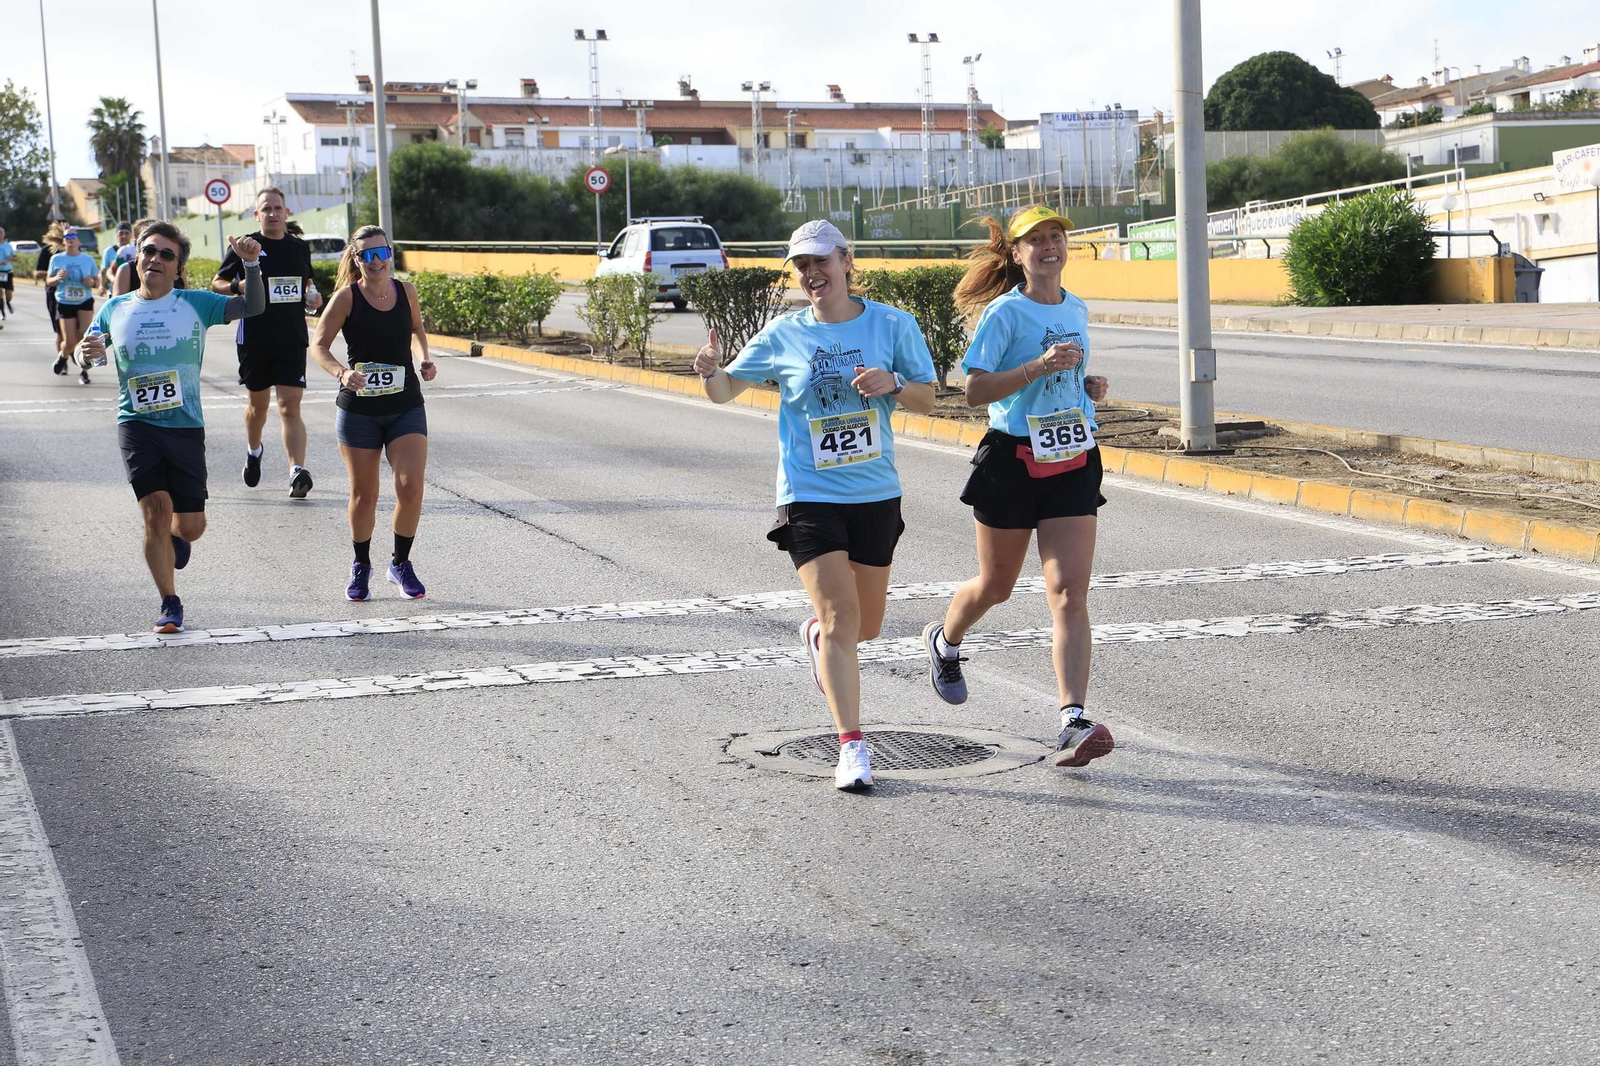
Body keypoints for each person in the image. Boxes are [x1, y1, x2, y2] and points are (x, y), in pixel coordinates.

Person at [695, 219, 937, 792]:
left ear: (846, 261)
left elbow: (929, 399)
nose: (810, 274)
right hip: (809, 493)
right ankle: (852, 748)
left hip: (875, 492)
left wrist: (893, 383)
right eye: (801, 265)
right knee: (839, 619)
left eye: (820, 262)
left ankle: (820, 641)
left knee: (864, 625)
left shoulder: (893, 325)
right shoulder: (784, 334)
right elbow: (726, 390)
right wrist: (710, 372)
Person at [922, 205, 1114, 769]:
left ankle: (1072, 721)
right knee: (996, 586)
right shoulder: (1005, 313)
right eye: (1036, 240)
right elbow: (975, 390)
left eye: (1057, 237)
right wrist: (1037, 367)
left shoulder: (1075, 306)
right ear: (1016, 254)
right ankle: (946, 641)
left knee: (1069, 592)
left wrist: (1088, 386)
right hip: (1012, 459)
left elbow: (1067, 377)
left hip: (1074, 454)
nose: (1049, 246)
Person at [76, 223, 265, 633]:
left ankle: (177, 541)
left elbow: (253, 307)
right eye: (149, 251)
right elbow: (89, 351)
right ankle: (170, 602)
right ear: (137, 258)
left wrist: (251, 266)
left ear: (179, 268)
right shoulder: (116, 307)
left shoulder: (195, 303)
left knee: (190, 526)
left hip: (184, 427)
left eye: (166, 254)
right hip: (137, 424)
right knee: (155, 514)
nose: (155, 259)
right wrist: (83, 353)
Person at [310, 225, 435, 602]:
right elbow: (319, 344)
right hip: (359, 410)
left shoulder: (405, 291)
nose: (377, 260)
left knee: (410, 487)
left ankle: (400, 562)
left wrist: (424, 359)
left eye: (382, 253)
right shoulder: (347, 298)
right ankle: (361, 563)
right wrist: (342, 373)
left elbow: (416, 328)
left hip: (405, 404)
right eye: (367, 254)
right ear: (356, 258)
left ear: (390, 254)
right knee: (364, 495)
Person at [213, 188, 323, 497]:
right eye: (266, 208)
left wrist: (312, 297)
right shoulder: (246, 245)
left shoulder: (300, 248)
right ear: (256, 214)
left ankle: (296, 471)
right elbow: (217, 282)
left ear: (287, 212)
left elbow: (307, 282)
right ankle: (253, 450)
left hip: (291, 337)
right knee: (257, 408)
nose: (273, 213)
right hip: (255, 339)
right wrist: (238, 285)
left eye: (278, 208)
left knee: (289, 406)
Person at [48, 227, 101, 384]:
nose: (70, 238)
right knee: (70, 341)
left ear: (78, 239)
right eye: (67, 236)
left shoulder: (88, 260)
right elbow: (48, 281)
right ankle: (63, 356)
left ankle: (84, 372)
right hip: (65, 301)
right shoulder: (57, 259)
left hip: (84, 300)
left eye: (73, 236)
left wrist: (91, 282)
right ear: (64, 240)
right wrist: (57, 278)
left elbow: (96, 281)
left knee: (85, 336)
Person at [101, 221, 133, 289]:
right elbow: (104, 271)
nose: (124, 236)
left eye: (127, 233)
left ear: (131, 235)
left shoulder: (136, 250)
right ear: (116, 235)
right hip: (115, 289)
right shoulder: (109, 251)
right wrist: (102, 286)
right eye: (121, 233)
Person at [0, 225, 15, 323]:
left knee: (8, 293)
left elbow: (15, 258)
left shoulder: (8, 246)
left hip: (8, 272)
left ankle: (8, 302)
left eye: (1, 232)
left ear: (4, 234)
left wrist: (11, 258)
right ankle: (2, 312)